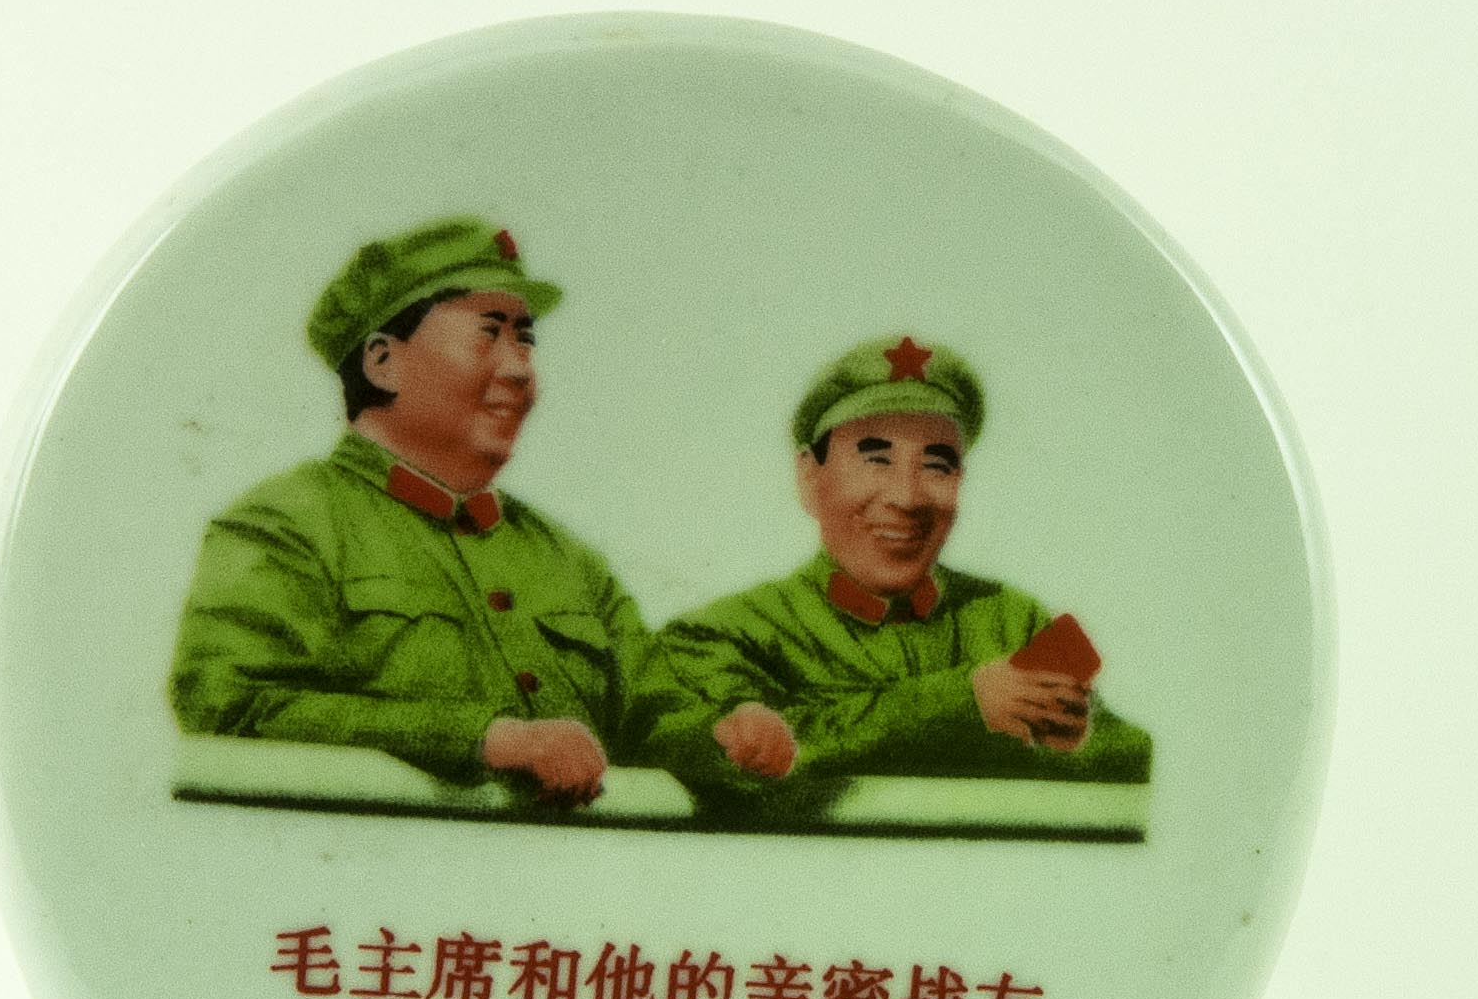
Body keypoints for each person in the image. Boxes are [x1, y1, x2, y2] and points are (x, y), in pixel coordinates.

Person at [168, 217, 653, 806]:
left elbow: (658, 710)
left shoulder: (567, 559)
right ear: (381, 361)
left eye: (525, 340)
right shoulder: (285, 525)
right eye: (489, 334)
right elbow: (228, 703)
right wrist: (483, 739)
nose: (519, 368)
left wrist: (732, 735)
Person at [646, 335, 1151, 815]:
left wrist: (1074, 737)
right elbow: (725, 757)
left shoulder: (1011, 621)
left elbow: (1129, 758)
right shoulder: (721, 636)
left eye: (937, 465)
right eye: (877, 459)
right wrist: (961, 704)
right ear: (810, 478)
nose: (907, 498)